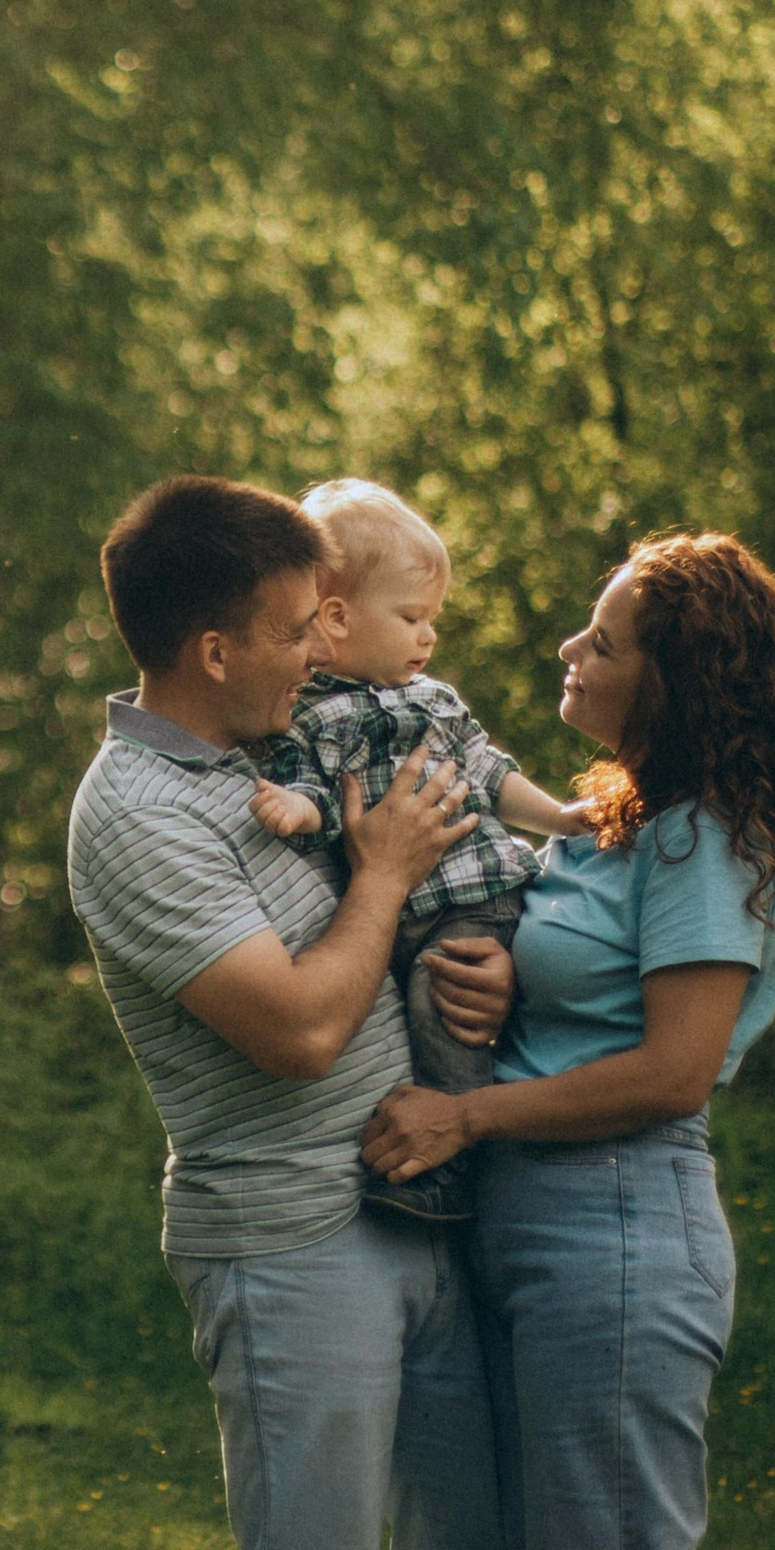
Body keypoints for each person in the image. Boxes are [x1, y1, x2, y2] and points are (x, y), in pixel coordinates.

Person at [362, 532, 775, 1550]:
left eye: (601, 640)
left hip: (616, 1230)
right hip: (518, 1223)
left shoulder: (708, 832)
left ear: (670, 678)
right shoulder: (613, 819)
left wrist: (464, 1110)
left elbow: (671, 1068)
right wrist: (492, 981)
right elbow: (576, 989)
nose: (569, 651)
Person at [68, 476, 536, 1550]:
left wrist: (484, 964)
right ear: (215, 651)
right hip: (289, 1246)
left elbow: (404, 933)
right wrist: (385, 870)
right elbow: (299, 1029)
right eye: (294, 631)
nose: (320, 649)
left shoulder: (298, 754)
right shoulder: (136, 814)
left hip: (422, 1205)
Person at [247, 480, 587, 1223]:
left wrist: (560, 819)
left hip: (469, 894)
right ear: (335, 618)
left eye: (431, 620)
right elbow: (308, 786)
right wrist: (297, 807)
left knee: (445, 1014)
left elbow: (490, 773)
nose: (427, 638)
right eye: (410, 618)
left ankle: (453, 1168)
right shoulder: (306, 712)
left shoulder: (433, 701)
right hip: (394, 912)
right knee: (411, 1019)